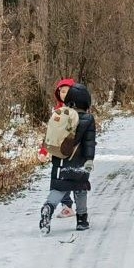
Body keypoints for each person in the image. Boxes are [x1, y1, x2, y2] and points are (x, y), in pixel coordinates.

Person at [39, 83, 96, 233]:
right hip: (79, 161)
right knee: (80, 189)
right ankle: (82, 220)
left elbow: (51, 136)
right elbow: (89, 142)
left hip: (60, 159)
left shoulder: (61, 114)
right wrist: (89, 159)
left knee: (59, 188)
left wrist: (45, 151)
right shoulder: (88, 119)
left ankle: (48, 207)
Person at [38, 78, 77, 218]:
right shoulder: (57, 111)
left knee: (73, 179)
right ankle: (65, 206)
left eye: (67, 91)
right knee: (59, 178)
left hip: (75, 150)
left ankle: (78, 210)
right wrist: (44, 150)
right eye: (61, 91)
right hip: (59, 150)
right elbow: (50, 132)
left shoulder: (79, 109)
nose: (63, 94)